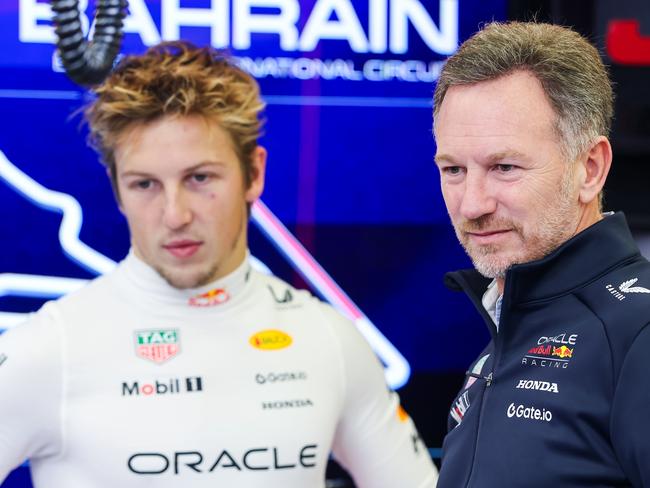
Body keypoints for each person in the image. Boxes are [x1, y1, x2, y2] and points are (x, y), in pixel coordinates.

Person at [0, 41, 438, 487]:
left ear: (254, 173)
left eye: (200, 178)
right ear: (117, 190)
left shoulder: (327, 339)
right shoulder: (49, 347)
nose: (175, 215)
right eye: (145, 184)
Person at [432, 20, 650, 487]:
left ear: (590, 168)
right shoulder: (510, 323)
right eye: (453, 169)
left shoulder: (639, 335)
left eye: (504, 167)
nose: (472, 204)